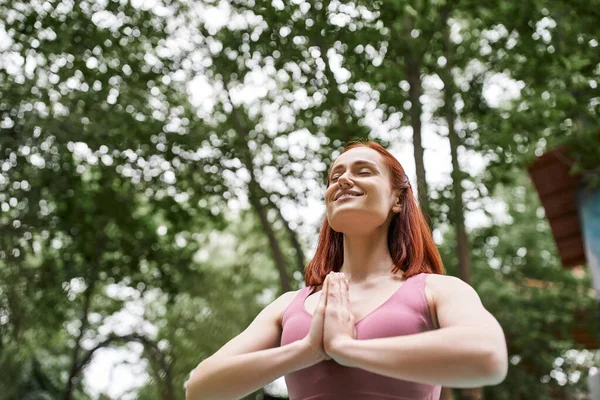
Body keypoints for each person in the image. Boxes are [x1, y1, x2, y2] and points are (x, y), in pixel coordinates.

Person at [185, 141, 508, 400]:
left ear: (397, 199)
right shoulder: (288, 305)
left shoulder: (438, 289)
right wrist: (307, 350)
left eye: (364, 171)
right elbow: (199, 390)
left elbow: (488, 358)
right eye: (334, 175)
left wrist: (347, 350)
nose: (343, 179)